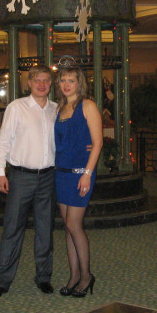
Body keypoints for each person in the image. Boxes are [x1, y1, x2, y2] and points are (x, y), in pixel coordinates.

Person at [0, 65, 58, 299]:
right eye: (37, 80)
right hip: (21, 177)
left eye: (46, 80)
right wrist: (0, 172)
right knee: (12, 229)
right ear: (29, 83)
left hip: (48, 177)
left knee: (45, 230)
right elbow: (3, 141)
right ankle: (2, 280)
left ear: (51, 83)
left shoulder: (56, 109)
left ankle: (44, 277)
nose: (41, 84)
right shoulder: (16, 107)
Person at [54, 66, 103, 297]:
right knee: (68, 227)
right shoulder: (59, 108)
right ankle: (74, 276)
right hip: (61, 172)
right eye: (62, 80)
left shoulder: (88, 105)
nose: (66, 85)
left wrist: (87, 173)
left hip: (80, 173)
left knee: (75, 225)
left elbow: (98, 142)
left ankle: (86, 276)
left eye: (71, 80)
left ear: (79, 83)